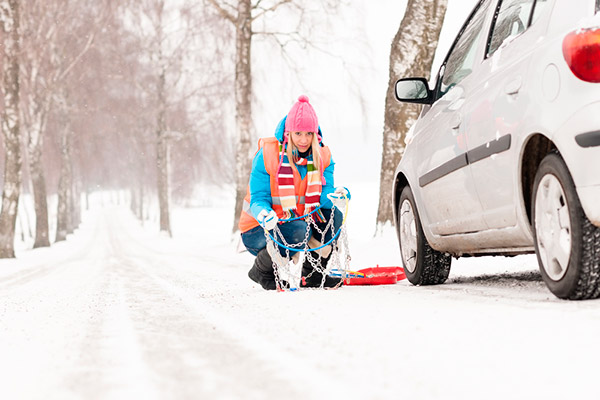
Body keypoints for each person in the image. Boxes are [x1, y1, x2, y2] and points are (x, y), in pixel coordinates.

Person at [239, 95, 349, 290]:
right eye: (298, 133)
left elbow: (324, 192)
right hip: (259, 225)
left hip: (297, 220)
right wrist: (263, 213)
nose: (304, 140)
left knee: (334, 218)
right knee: (298, 231)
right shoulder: (267, 154)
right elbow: (259, 197)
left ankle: (312, 275)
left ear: (315, 134)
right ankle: (261, 271)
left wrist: (333, 196)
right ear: (288, 133)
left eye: (309, 134)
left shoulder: (323, 155)